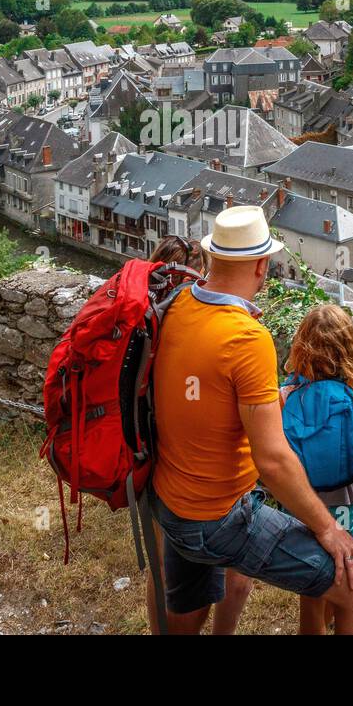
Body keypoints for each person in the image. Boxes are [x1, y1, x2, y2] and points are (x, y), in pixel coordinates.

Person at [148, 205, 353, 635]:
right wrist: (329, 529)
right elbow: (273, 461)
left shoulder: (176, 305)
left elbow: (196, 388)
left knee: (184, 619)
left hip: (170, 501)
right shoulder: (246, 336)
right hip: (219, 516)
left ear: (212, 257)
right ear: (261, 265)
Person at [143, 234, 254, 634]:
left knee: (162, 570)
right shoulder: (201, 321)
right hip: (203, 476)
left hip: (152, 461)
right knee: (229, 576)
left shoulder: (149, 316)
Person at [280, 303, 353, 635]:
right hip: (343, 501)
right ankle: (335, 620)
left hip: (303, 505)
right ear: (348, 348)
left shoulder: (287, 394)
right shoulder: (351, 394)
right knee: (344, 571)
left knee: (311, 585)